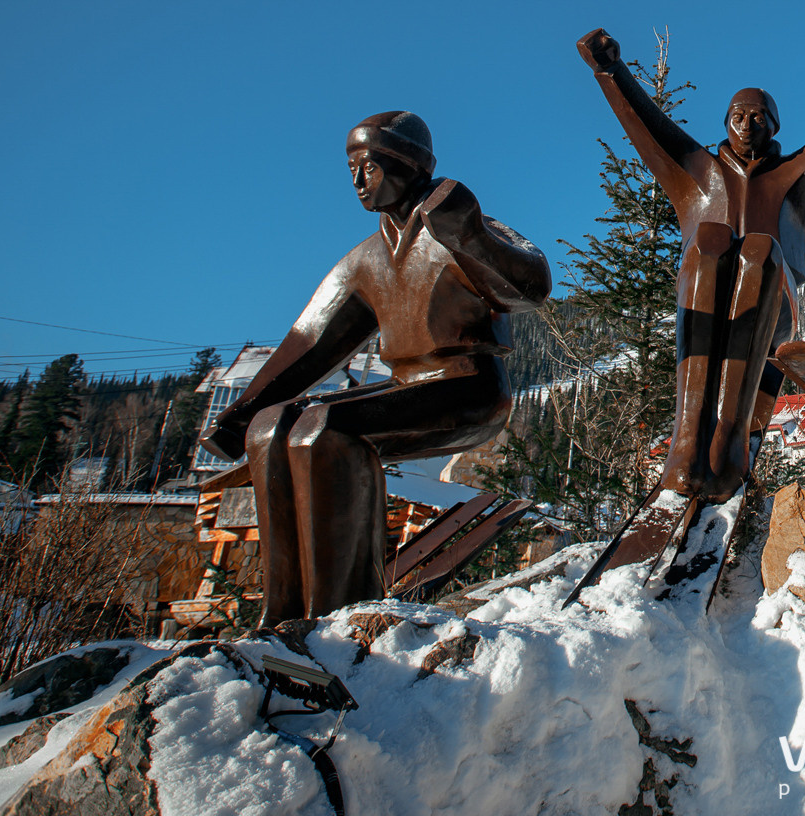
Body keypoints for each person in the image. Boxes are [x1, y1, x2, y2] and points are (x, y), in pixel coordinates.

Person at [200, 111, 550, 625]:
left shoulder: (454, 223)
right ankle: (284, 612)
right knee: (271, 428)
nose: (358, 180)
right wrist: (246, 410)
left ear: (409, 164)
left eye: (368, 165)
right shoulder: (366, 259)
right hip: (406, 387)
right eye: (351, 169)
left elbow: (531, 287)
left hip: (469, 388)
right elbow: (311, 340)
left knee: (327, 430)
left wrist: (471, 235)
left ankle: (342, 611)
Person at [577, 30, 805, 501]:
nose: (746, 124)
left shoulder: (794, 176)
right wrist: (609, 69)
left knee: (759, 251)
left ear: (774, 125)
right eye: (737, 116)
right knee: (709, 241)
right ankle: (689, 436)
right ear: (726, 121)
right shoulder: (697, 174)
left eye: (757, 116)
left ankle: (729, 438)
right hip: (705, 294)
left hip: (771, 303)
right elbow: (648, 127)